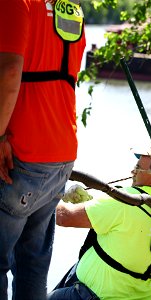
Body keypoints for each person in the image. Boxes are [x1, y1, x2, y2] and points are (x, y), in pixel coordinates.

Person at [0, 0, 86, 299]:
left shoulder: (17, 3)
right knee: (33, 264)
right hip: (60, 151)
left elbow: (10, 71)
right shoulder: (69, 8)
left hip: (22, 150)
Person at [47, 145, 151, 300]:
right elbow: (133, 230)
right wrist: (91, 203)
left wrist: (53, 192)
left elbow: (64, 216)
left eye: (138, 168)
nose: (133, 171)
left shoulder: (128, 200)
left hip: (96, 294)